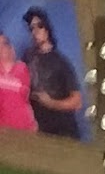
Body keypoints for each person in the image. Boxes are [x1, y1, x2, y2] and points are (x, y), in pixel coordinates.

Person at [22, 7, 82, 139]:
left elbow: (77, 102)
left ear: (47, 28)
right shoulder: (28, 57)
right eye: (31, 28)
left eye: (40, 26)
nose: (35, 31)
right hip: (39, 129)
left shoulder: (61, 61)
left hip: (63, 131)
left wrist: (50, 103)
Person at [0, 34, 37, 132]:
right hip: (3, 130)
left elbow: (26, 97)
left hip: (26, 128)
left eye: (4, 44)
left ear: (10, 47)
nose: (1, 48)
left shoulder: (22, 68)